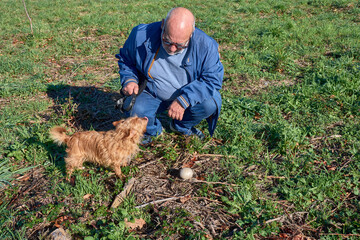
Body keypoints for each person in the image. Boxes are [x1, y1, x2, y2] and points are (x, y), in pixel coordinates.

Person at [115, 7, 223, 144]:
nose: (172, 48)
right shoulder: (140, 35)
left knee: (210, 103)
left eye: (180, 45)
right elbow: (126, 60)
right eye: (167, 41)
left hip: (188, 94)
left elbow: (212, 79)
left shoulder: (206, 46)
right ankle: (153, 131)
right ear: (162, 25)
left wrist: (184, 100)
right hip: (152, 92)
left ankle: (181, 126)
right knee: (136, 110)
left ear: (191, 33)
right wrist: (129, 80)